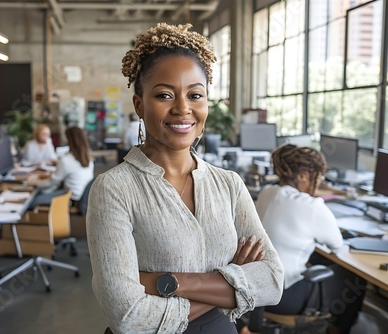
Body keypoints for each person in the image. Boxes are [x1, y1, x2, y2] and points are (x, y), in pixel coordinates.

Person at [86, 23, 284, 334]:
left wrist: (167, 282)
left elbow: (272, 282)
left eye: (195, 95)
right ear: (139, 104)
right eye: (164, 95)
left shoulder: (229, 184)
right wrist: (233, 280)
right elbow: (127, 315)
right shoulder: (114, 188)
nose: (182, 108)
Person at [250, 144, 366, 334]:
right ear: (303, 175)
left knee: (318, 259)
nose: (318, 184)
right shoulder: (312, 207)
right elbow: (337, 246)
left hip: (256, 289)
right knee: (355, 277)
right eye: (317, 178)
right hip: (284, 299)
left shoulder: (267, 193)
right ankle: (337, 330)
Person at [27, 126, 94, 208]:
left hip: (71, 199)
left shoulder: (66, 160)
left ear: (69, 141)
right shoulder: (88, 159)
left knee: (32, 201)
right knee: (42, 193)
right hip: (82, 198)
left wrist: (32, 182)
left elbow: (51, 182)